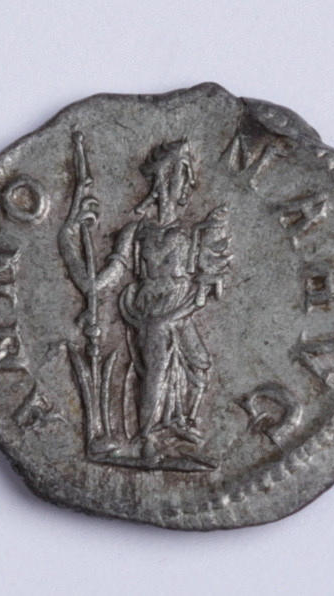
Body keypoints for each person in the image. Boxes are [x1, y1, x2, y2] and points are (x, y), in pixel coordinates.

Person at [59, 138, 231, 460]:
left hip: (181, 306)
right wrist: (67, 235)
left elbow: (212, 283)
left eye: (184, 175)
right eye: (177, 174)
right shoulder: (135, 231)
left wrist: (209, 277)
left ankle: (177, 423)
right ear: (161, 179)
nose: (183, 184)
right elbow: (95, 285)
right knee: (157, 369)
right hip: (150, 310)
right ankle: (146, 439)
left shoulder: (193, 233)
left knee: (200, 366)